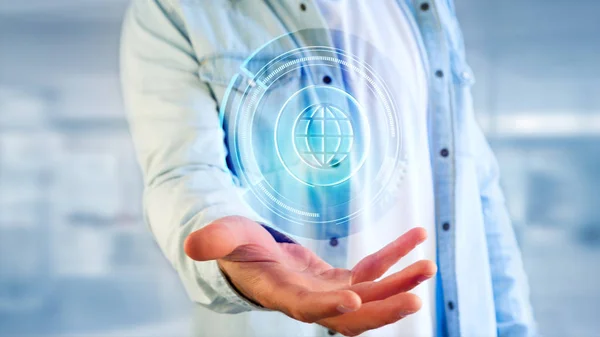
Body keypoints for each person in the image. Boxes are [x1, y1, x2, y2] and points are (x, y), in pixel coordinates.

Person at [120, 0, 536, 336]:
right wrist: (231, 247)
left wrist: (516, 328)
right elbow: (183, 171)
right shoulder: (175, 9)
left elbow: (476, 189)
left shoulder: (427, 9)